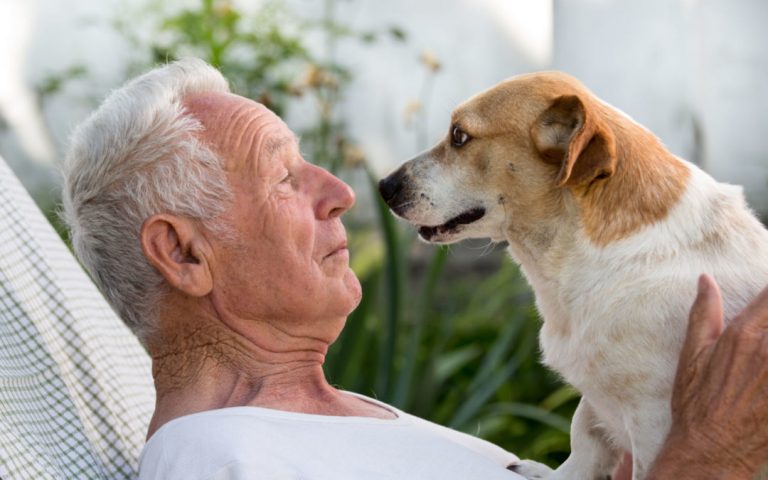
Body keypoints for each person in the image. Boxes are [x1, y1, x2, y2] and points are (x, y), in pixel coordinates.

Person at [60, 58, 768, 480]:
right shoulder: (219, 454)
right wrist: (707, 459)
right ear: (183, 253)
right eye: (284, 179)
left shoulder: (331, 430)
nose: (339, 193)